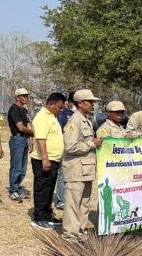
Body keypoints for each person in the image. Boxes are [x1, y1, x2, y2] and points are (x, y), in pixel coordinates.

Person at [62, 90, 102, 240]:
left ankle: (79, 231)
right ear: (79, 103)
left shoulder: (86, 120)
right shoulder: (74, 121)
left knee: (84, 203)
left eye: (93, 102)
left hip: (87, 169)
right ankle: (70, 235)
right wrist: (92, 144)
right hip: (76, 170)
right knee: (73, 204)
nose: (92, 105)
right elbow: (70, 147)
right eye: (89, 102)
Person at [30, 92, 66, 230]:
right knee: (42, 189)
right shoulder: (42, 117)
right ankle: (39, 218)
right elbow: (41, 139)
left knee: (49, 189)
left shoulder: (52, 116)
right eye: (59, 107)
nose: (61, 110)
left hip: (54, 159)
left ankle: (47, 215)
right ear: (51, 104)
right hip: (43, 160)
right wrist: (45, 159)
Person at [7, 87, 34, 201]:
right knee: (16, 167)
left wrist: (31, 141)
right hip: (17, 139)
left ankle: (18, 188)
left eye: (27, 96)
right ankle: (13, 190)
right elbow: (21, 127)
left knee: (23, 168)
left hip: (24, 139)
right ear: (17, 97)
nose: (26, 98)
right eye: (23, 96)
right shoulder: (14, 109)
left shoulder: (24, 110)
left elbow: (27, 125)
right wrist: (34, 133)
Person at [54, 91, 76, 211]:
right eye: (75, 103)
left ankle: (70, 200)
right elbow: (61, 132)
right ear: (70, 102)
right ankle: (61, 200)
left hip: (75, 151)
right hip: (64, 149)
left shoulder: (78, 115)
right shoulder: (63, 115)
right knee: (62, 175)